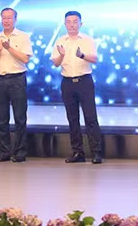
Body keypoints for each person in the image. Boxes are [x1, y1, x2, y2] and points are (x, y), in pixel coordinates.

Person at [51, 11, 103, 164]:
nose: (72, 25)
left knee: (90, 117)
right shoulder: (60, 40)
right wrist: (61, 55)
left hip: (84, 81)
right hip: (67, 82)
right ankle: (77, 152)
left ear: (81, 23)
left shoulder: (87, 40)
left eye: (75, 21)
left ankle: (96, 152)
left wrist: (82, 55)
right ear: (65, 24)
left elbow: (95, 59)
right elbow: (55, 63)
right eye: (68, 22)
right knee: (72, 119)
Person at [0, 7, 32, 163]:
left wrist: (8, 48)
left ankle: (20, 152)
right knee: (1, 119)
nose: (6, 21)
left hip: (17, 79)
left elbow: (25, 59)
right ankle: (4, 152)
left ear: (15, 20)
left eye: (9, 18)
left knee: (20, 118)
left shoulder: (23, 37)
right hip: (0, 80)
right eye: (3, 18)